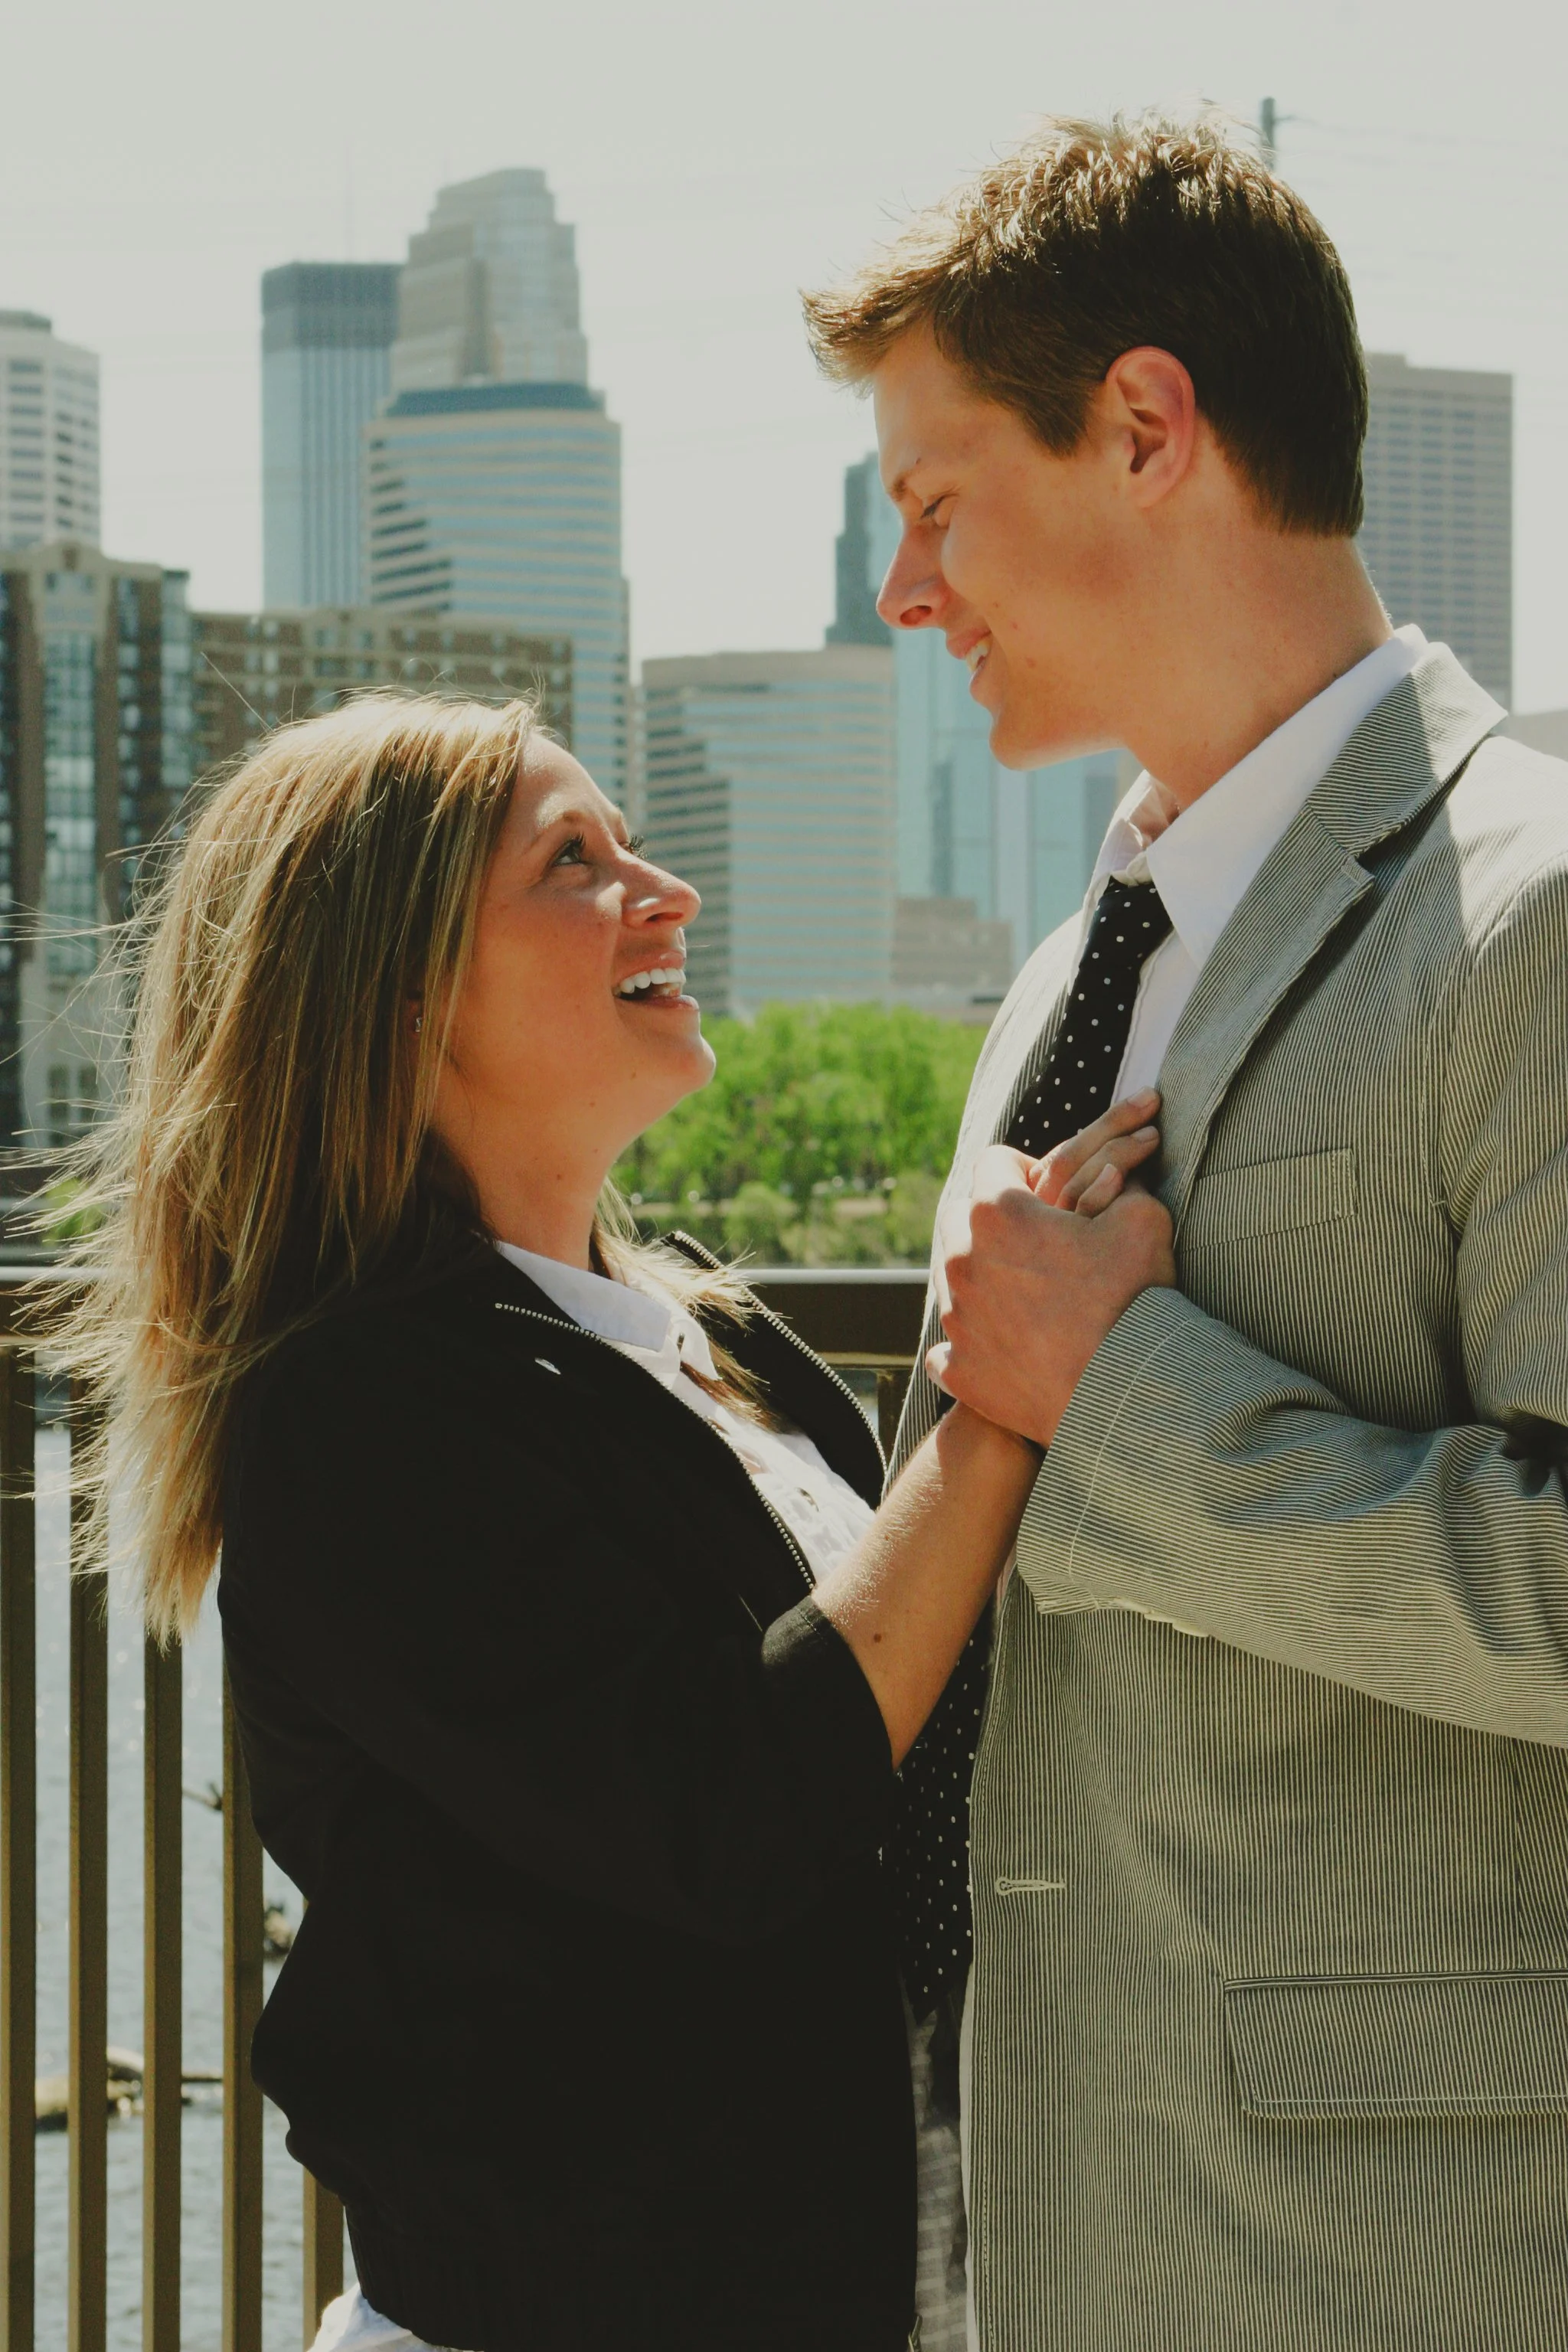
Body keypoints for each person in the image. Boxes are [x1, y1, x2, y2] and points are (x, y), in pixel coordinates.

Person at [805, 112, 1568, 2350]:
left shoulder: (1532, 921)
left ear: (1147, 425)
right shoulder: (1063, 982)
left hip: (1386, 2267)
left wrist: (1124, 1399)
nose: (902, 590)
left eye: (936, 505)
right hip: (1029, 2219)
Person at [47, 690, 1075, 2352]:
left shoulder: (723, 1348)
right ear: (395, 992)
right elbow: (725, 1811)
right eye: (574, 861)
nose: (662, 890)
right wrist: (999, 1412)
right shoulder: (363, 1412)